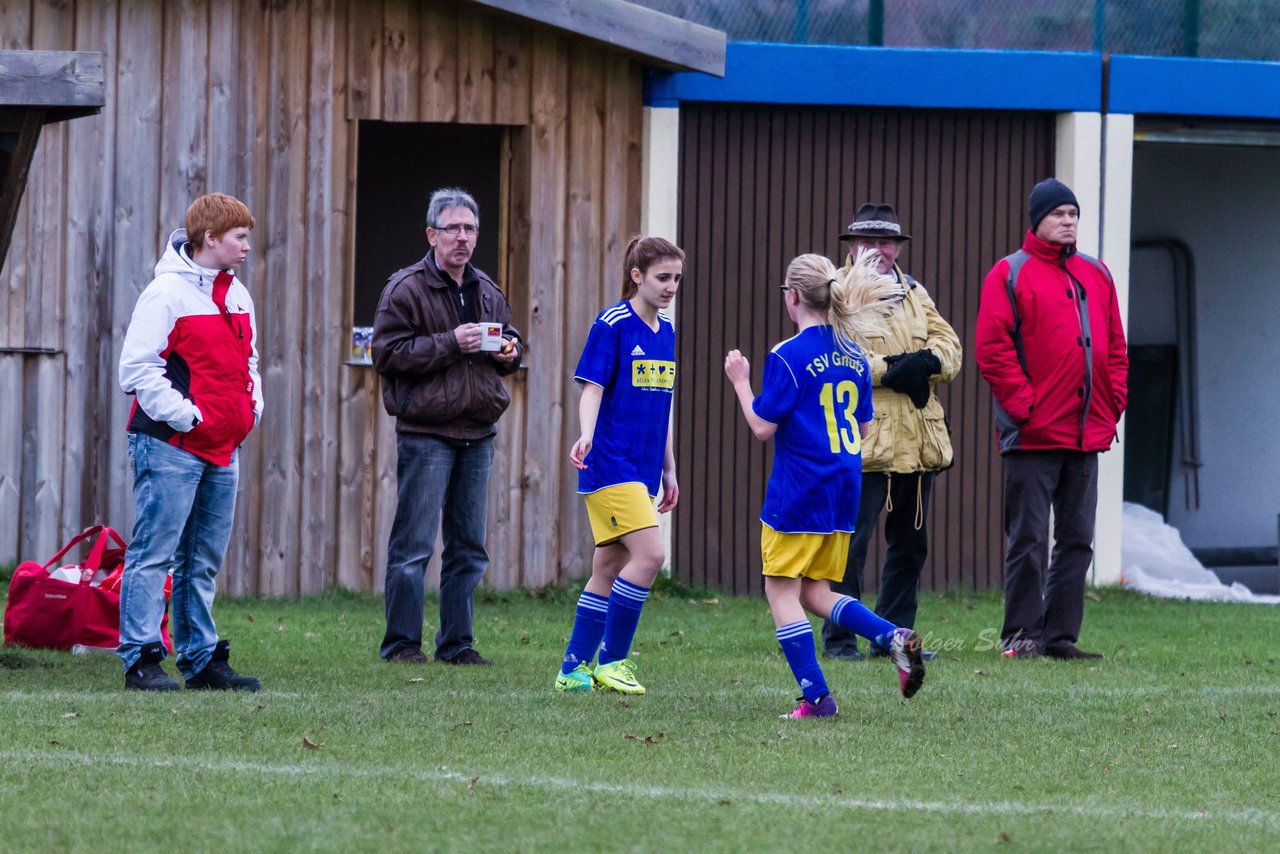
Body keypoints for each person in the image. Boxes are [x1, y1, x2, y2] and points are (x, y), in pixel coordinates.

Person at [724, 252, 926, 719]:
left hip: (799, 490)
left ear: (792, 297)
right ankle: (894, 637)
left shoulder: (787, 355)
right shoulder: (855, 353)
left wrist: (740, 380)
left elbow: (761, 427)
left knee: (780, 592)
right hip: (843, 490)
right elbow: (864, 426)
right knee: (815, 592)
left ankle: (817, 698)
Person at [975, 178, 1128, 660]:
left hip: (1087, 434)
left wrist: (1114, 400)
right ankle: (1020, 638)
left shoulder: (1097, 274)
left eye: (1073, 214)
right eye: (1059, 214)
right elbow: (992, 349)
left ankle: (1060, 638)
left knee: (1078, 539)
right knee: (1029, 540)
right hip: (1033, 436)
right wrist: (1026, 409)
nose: (1069, 222)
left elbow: (1117, 348)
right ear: (1037, 220)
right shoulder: (1009, 273)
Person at [117, 192, 263, 692]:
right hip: (170, 446)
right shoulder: (165, 295)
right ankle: (139, 657)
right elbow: (136, 369)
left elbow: (250, 364)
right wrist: (190, 417)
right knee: (153, 553)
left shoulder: (238, 294)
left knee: (201, 560)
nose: (246, 246)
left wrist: (251, 410)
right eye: (239, 237)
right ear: (211, 239)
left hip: (224, 449)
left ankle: (200, 659)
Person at [373, 188, 523, 666]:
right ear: (431, 234)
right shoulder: (405, 289)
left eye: (470, 229)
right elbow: (388, 355)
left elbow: (510, 346)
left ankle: (457, 644)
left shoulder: (487, 291)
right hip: (427, 433)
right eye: (452, 228)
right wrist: (450, 342)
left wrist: (510, 354)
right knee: (414, 545)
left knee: (468, 548)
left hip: (478, 433)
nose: (462, 237)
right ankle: (402, 644)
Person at [821, 204, 962, 661]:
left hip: (918, 440)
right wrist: (894, 369)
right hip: (863, 440)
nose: (880, 251)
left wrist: (924, 363)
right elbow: (840, 357)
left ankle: (893, 639)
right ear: (852, 247)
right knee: (850, 545)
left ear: (898, 247)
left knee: (910, 546)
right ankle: (840, 640)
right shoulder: (837, 293)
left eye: (888, 242)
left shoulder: (915, 291)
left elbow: (951, 348)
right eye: (870, 242)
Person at [554, 237, 684, 695]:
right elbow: (591, 386)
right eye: (662, 278)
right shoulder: (612, 323)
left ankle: (572, 671)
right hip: (610, 464)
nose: (671, 287)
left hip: (645, 469)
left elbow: (661, 407)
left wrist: (669, 469)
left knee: (609, 566)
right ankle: (612, 662)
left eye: (676, 279)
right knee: (651, 556)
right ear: (637, 276)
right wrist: (586, 434)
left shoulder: (666, 332)